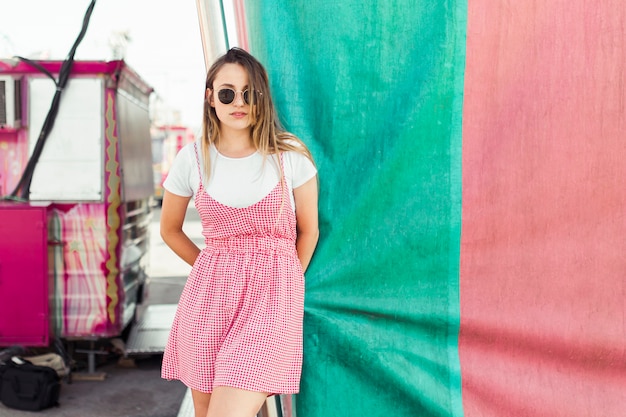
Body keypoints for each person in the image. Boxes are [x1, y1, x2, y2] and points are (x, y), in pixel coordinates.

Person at [160, 47, 319, 417]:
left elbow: (309, 230)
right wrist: (212, 265)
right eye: (228, 92)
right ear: (210, 96)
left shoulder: (289, 156)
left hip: (272, 297)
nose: (240, 102)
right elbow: (170, 229)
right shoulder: (192, 159)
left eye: (250, 93)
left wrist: (289, 278)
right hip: (209, 297)